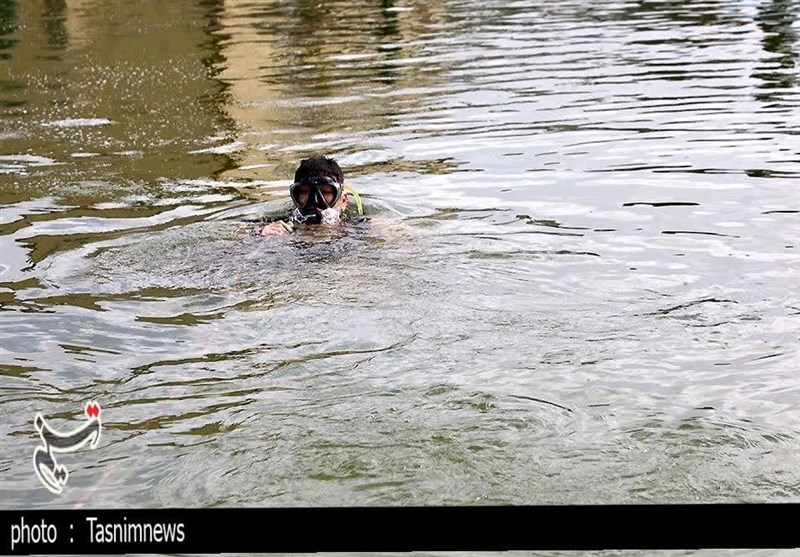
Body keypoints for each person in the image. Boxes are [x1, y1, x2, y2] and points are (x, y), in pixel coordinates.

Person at [260, 156, 362, 236]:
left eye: (325, 192)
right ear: (294, 200)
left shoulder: (360, 228)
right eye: (304, 191)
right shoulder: (275, 227)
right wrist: (261, 234)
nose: (315, 200)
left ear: (343, 201)